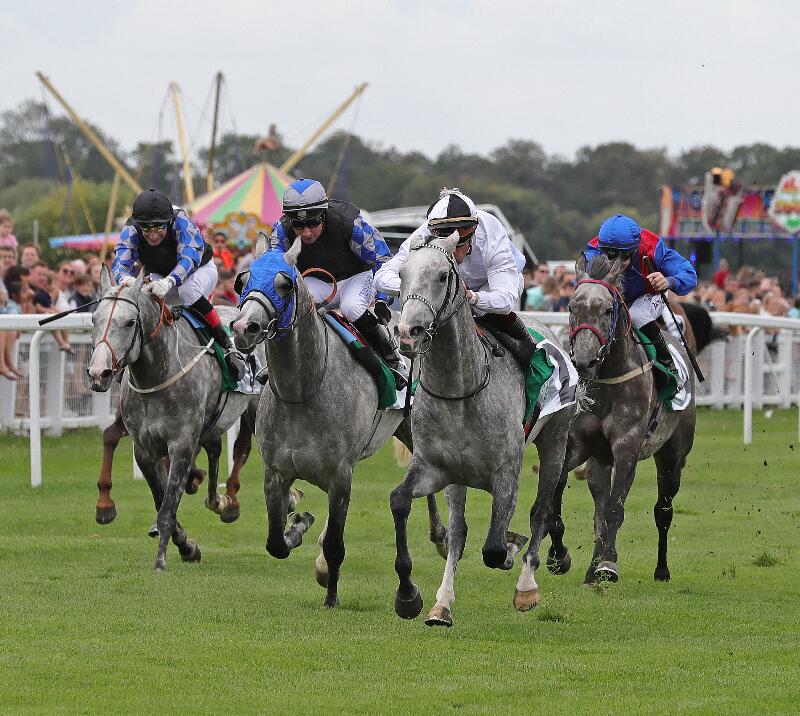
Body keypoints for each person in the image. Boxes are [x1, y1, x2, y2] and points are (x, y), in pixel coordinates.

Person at [270, 178, 406, 387]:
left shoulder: (350, 223)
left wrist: (381, 299)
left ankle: (391, 357)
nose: (306, 232)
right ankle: (278, 363)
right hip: (318, 280)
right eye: (298, 224)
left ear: (323, 213)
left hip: (355, 277)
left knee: (351, 308)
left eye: (313, 222)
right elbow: (272, 267)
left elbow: (382, 259)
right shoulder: (281, 229)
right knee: (295, 306)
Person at [374, 188, 529, 359]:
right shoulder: (424, 232)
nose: (452, 252)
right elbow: (382, 277)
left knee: (492, 315)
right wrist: (420, 288)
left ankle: (531, 362)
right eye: (446, 247)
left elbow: (505, 299)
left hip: (488, 286)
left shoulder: (492, 235)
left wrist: (471, 297)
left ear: (472, 233)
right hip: (442, 287)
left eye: (458, 245)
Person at [113, 188, 245, 380]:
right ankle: (129, 358)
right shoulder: (132, 228)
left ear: (168, 222)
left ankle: (226, 345)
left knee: (186, 290)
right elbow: (120, 262)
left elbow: (189, 258)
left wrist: (170, 281)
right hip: (161, 274)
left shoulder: (180, 220)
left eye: (159, 229)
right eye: (146, 230)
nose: (152, 236)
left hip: (200, 270)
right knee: (141, 299)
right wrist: (125, 279)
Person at [582, 213, 697, 383]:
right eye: (611, 257)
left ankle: (667, 362)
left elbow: (690, 275)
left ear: (635, 249)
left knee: (636, 315)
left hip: (649, 293)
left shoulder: (653, 248)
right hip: (614, 295)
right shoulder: (593, 251)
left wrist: (669, 281)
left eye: (624, 258)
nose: (616, 265)